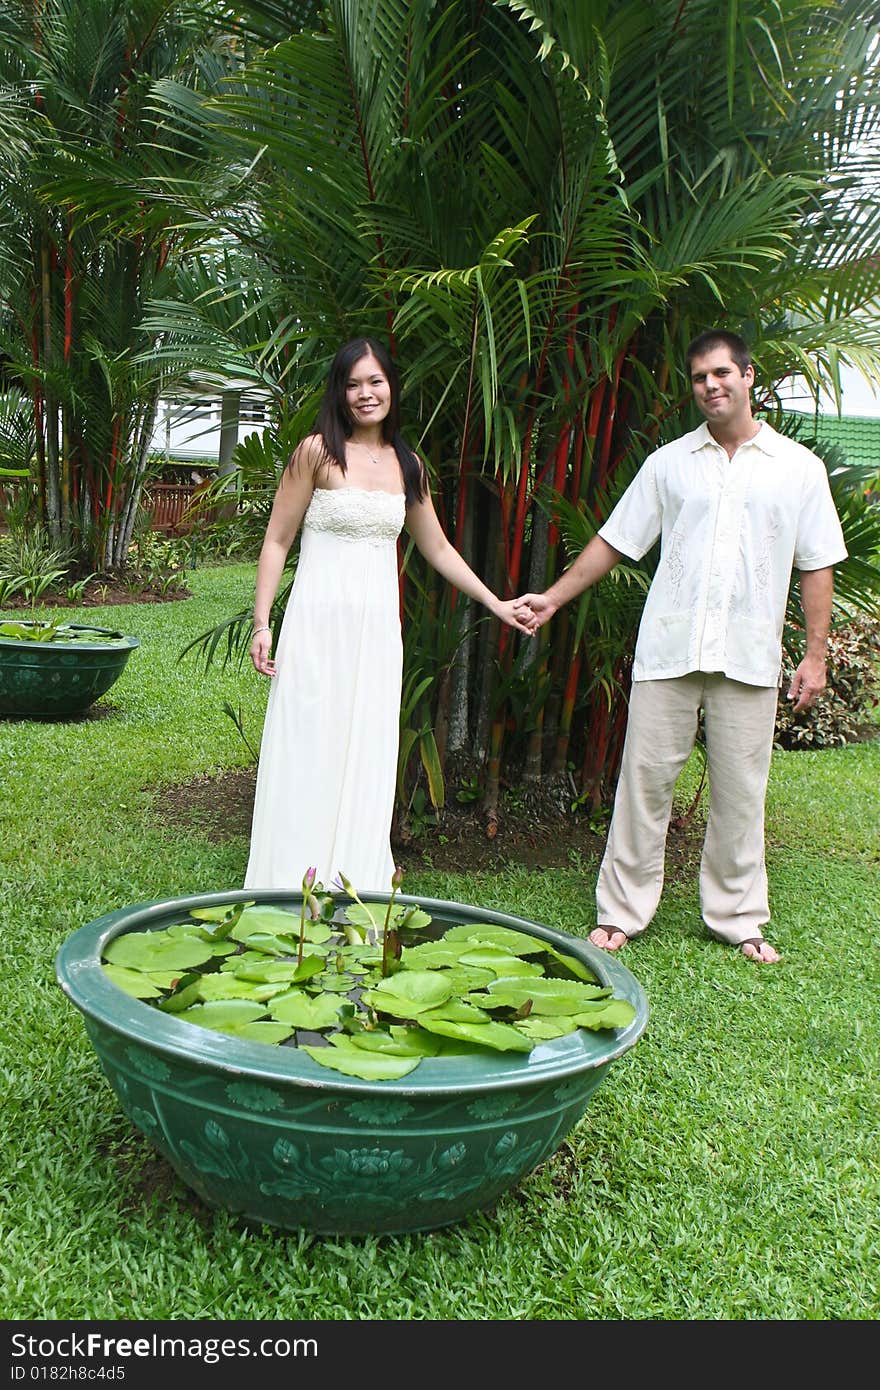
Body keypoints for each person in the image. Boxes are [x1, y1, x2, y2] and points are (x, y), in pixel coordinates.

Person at [514, 329, 847, 963]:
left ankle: (738, 917)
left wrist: (814, 652)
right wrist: (554, 598)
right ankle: (621, 912)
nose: (710, 386)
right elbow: (616, 541)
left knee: (742, 792)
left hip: (749, 655)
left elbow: (818, 562)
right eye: (699, 377)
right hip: (669, 649)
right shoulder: (669, 463)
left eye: (722, 373)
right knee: (644, 782)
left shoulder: (798, 470)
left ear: (750, 376)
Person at [244, 335, 536, 893]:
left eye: (375, 381)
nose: (365, 393)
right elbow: (277, 541)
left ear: (392, 388)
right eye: (353, 383)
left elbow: (440, 549)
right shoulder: (316, 453)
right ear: (339, 391)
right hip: (316, 624)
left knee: (365, 742)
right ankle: (289, 875)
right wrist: (263, 622)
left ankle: (351, 872)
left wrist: (497, 602)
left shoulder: (408, 465)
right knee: (309, 737)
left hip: (376, 633)